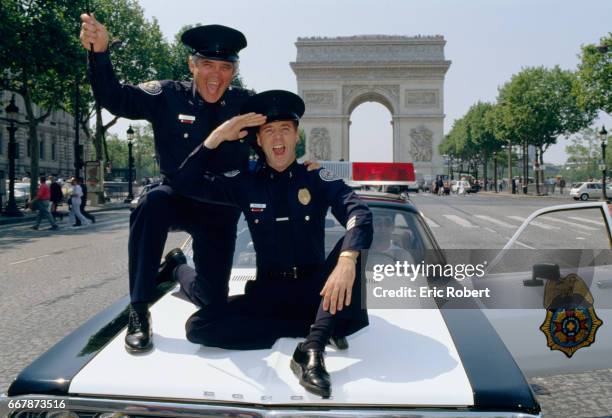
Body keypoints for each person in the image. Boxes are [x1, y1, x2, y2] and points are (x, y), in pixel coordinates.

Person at [171, 90, 373, 398]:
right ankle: (313, 327)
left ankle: (311, 349)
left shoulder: (317, 178)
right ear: (258, 140)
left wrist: (346, 261)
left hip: (316, 290)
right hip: (269, 294)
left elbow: (359, 212)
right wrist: (218, 135)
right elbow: (185, 182)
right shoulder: (243, 182)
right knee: (198, 328)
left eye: (285, 130)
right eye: (269, 131)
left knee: (354, 248)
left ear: (296, 136)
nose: (278, 139)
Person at [80, 15, 264, 353]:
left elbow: (275, 139)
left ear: (234, 71)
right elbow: (115, 99)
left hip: (219, 211)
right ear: (191, 65)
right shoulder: (166, 94)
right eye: (207, 64)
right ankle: (138, 310)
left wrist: (302, 166)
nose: (215, 75)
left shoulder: (246, 105)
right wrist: (100, 53)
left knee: (211, 301)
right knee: (150, 204)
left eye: (224, 67)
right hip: (176, 196)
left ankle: (177, 268)